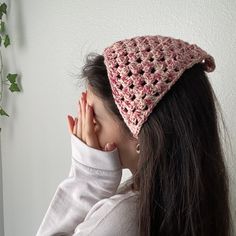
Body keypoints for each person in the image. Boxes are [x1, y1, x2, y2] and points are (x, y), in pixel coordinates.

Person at [36, 35, 234, 236]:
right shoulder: (197, 201)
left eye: (93, 115)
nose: (84, 125)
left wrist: (87, 177)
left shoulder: (120, 218)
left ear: (140, 136)